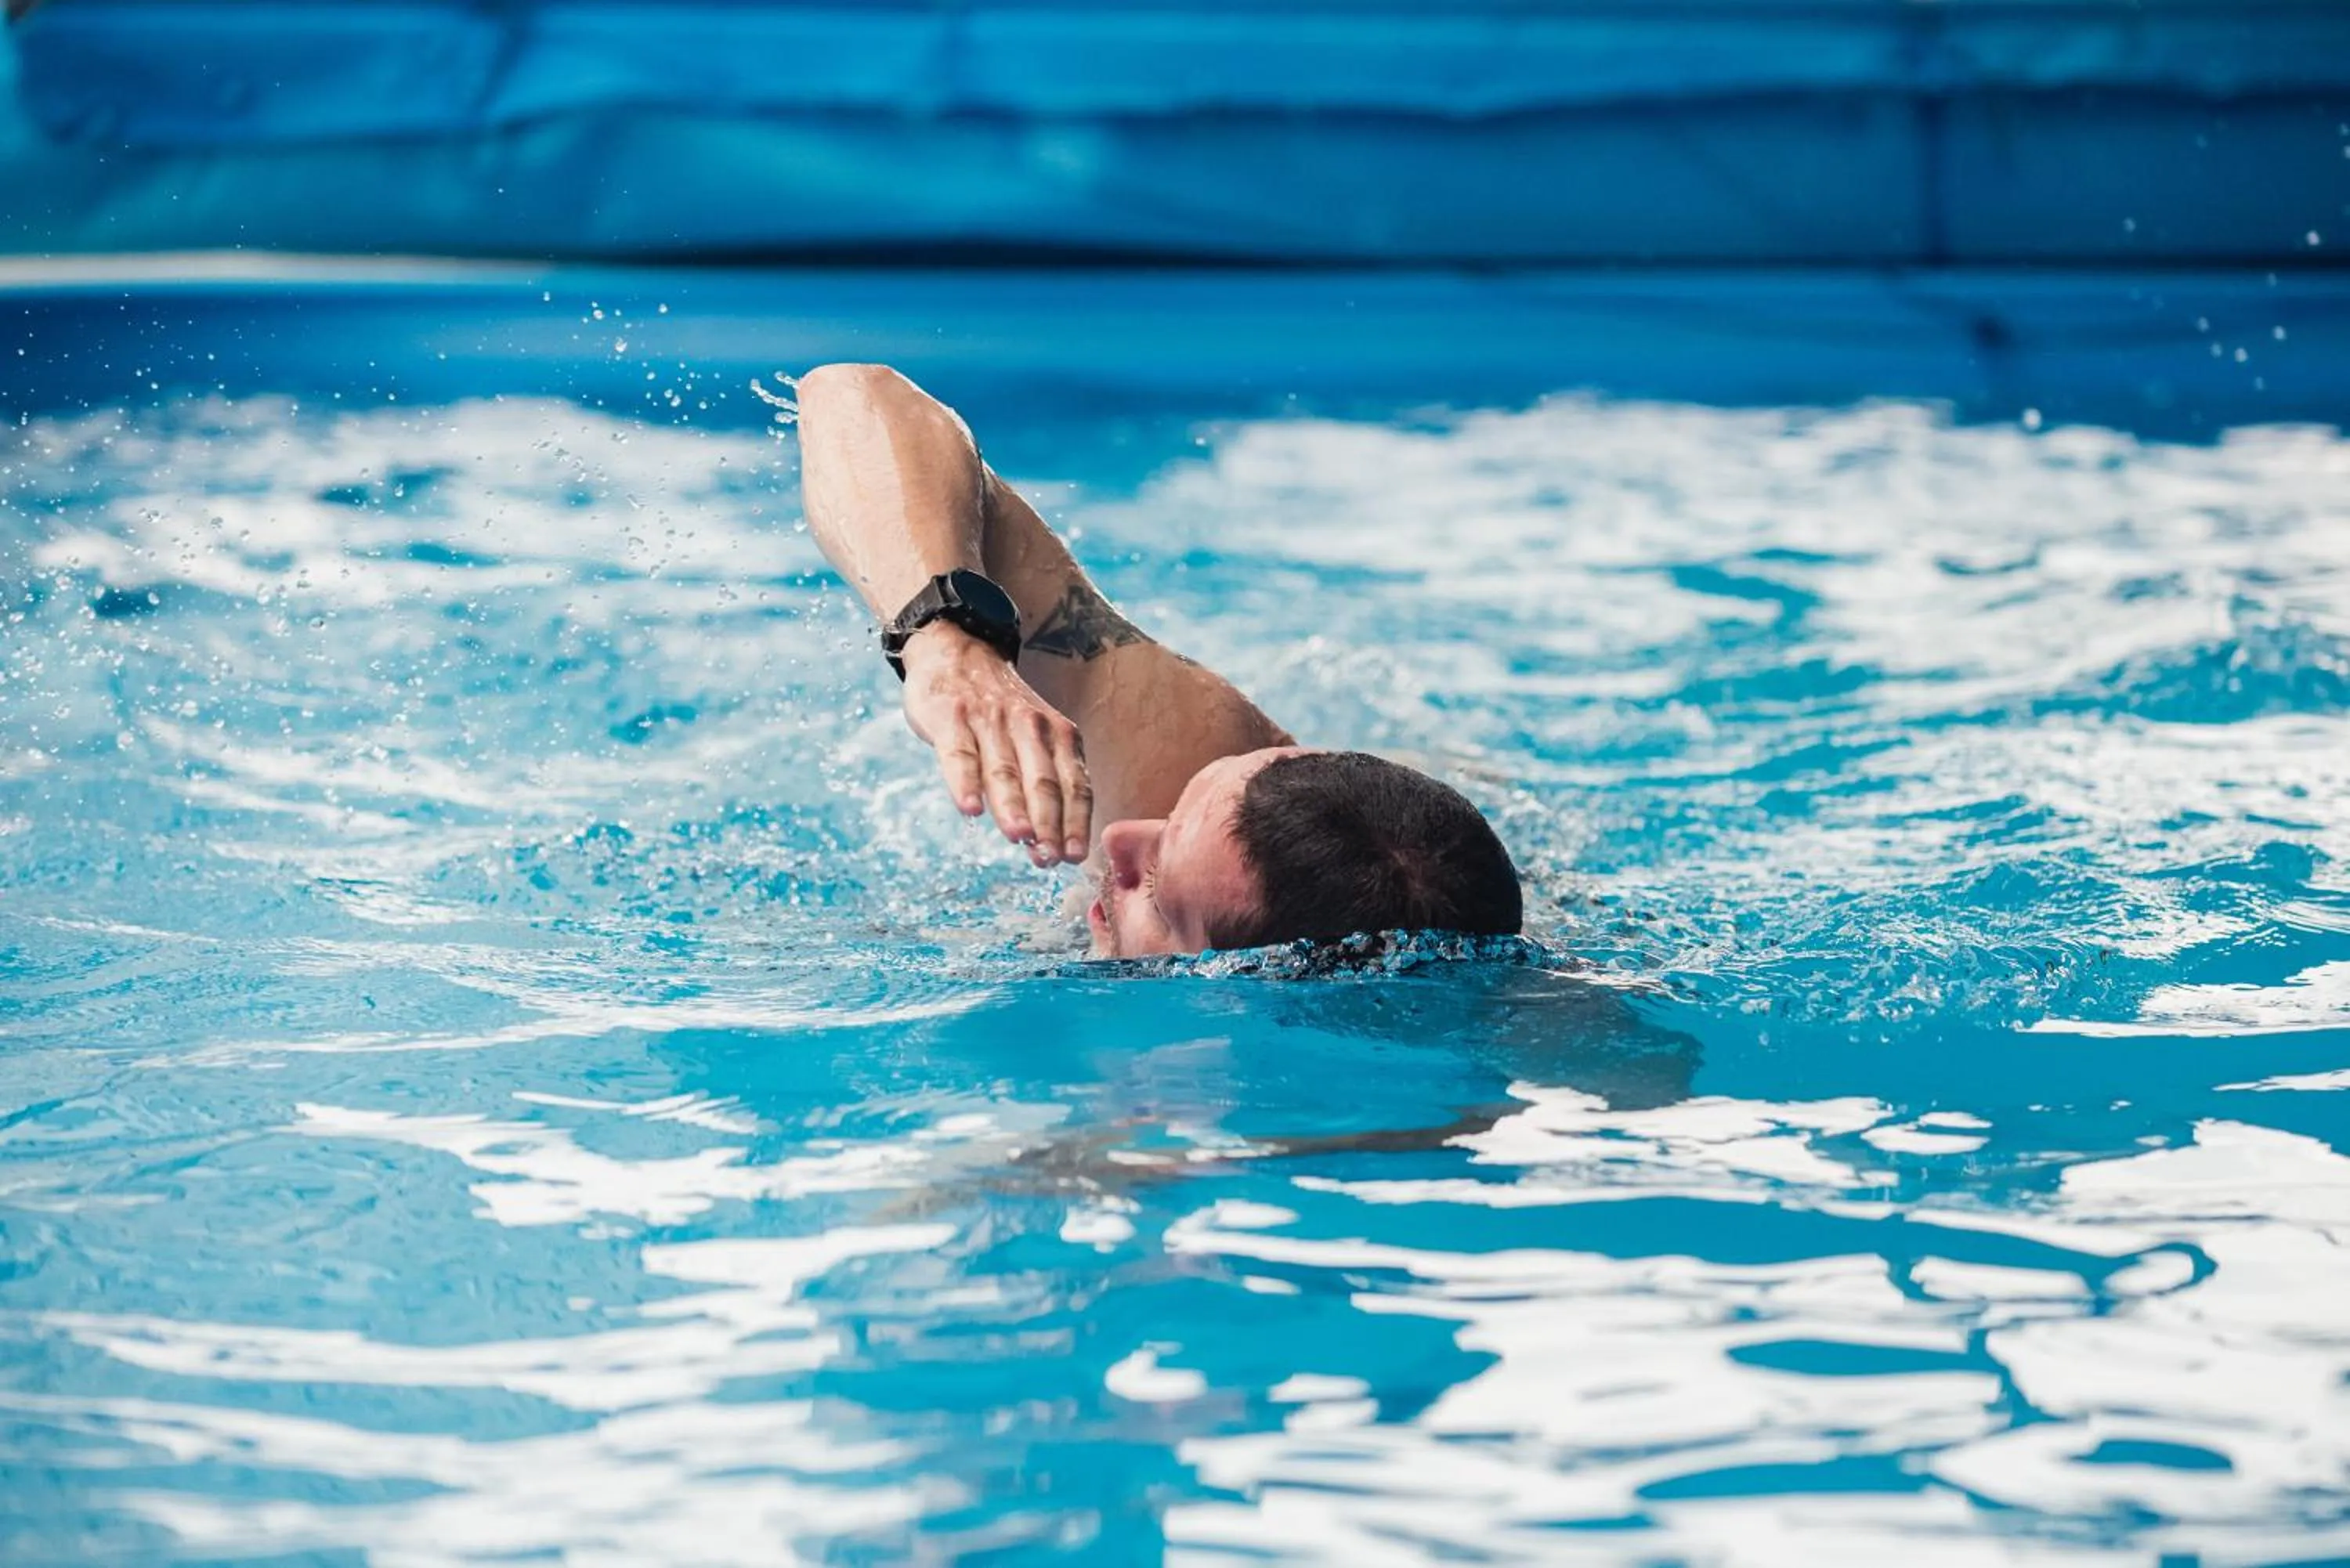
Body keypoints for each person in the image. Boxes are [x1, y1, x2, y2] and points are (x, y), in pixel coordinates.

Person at [795, 363, 1523, 958]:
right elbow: (854, 396)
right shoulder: (1184, 752)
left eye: (1161, 892)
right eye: (1176, 814)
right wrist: (947, 638)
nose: (1118, 838)